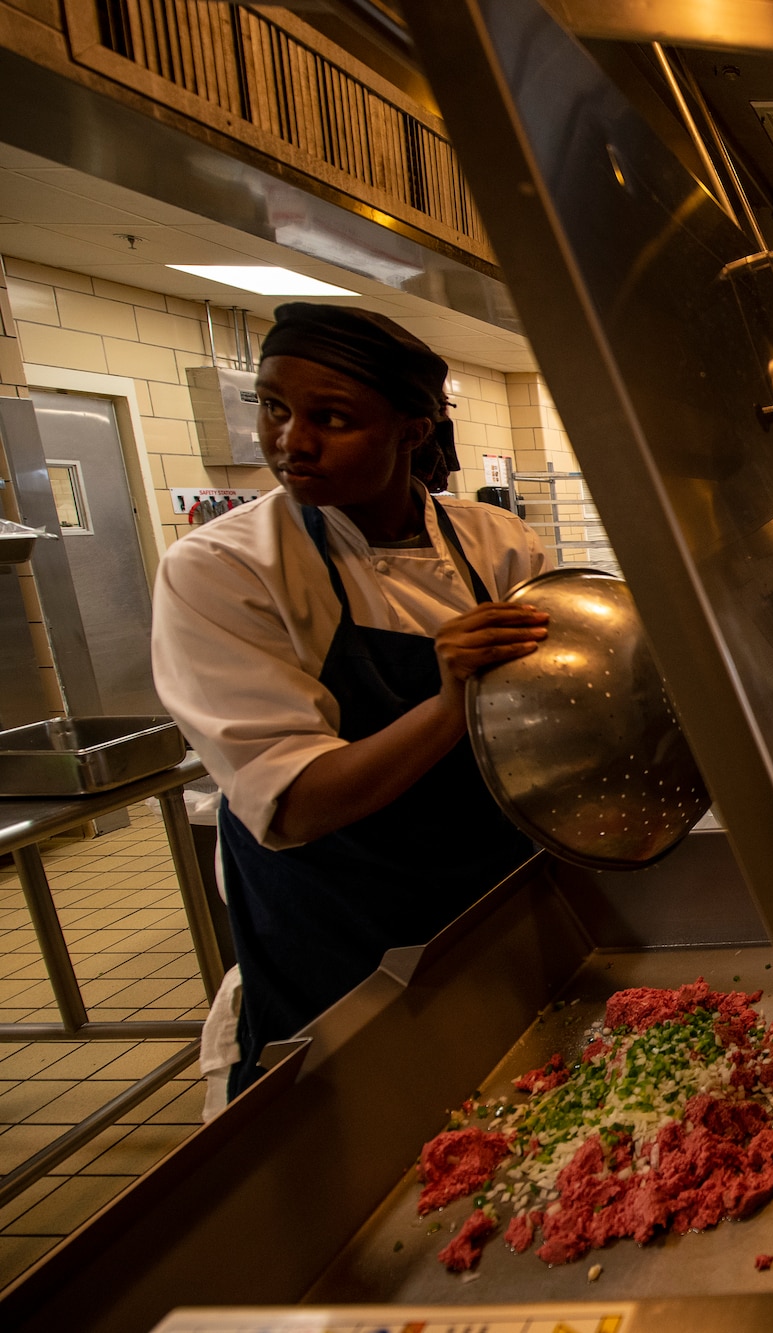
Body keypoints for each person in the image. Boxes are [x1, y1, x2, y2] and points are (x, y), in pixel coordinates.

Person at [152, 303, 550, 1097]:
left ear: (412, 429)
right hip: (334, 938)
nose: (291, 441)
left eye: (330, 418)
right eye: (272, 407)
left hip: (492, 909)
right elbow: (295, 803)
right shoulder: (226, 571)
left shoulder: (495, 545)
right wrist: (449, 705)